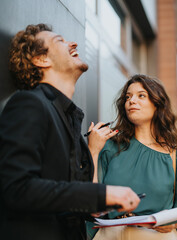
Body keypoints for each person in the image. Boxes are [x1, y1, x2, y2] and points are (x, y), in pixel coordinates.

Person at [0, 24, 140, 240]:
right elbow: (17, 189)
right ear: (41, 60)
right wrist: (99, 194)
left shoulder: (67, 116)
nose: (73, 43)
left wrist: (89, 207)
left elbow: (59, 197)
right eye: (59, 41)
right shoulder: (28, 103)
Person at [87, 74, 177, 240]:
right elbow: (90, 200)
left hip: (155, 236)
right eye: (128, 97)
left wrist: (172, 222)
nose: (132, 101)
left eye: (141, 96)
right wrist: (93, 150)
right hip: (111, 236)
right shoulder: (110, 148)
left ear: (157, 104)